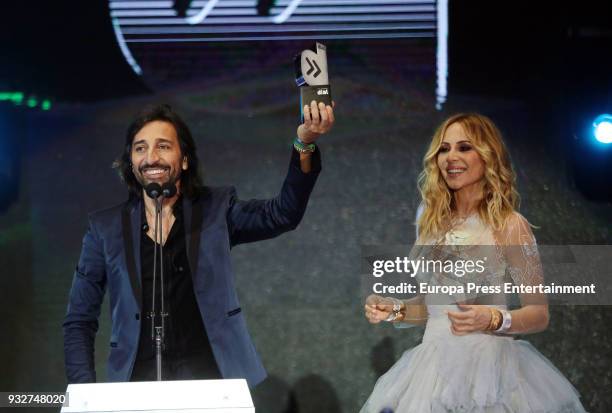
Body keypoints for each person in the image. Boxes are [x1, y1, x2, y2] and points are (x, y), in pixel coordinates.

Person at [63, 101, 334, 386]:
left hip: (214, 382)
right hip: (136, 385)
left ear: (184, 159)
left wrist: (304, 143)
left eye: (163, 146)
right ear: (131, 162)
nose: (151, 157)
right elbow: (79, 319)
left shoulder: (216, 210)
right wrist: (84, 393)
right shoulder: (105, 228)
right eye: (140, 148)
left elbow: (283, 214)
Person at [361, 113, 586, 412]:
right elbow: (436, 308)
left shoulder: (510, 225)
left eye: (464, 147)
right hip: (432, 372)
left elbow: (538, 313)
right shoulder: (430, 222)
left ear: (488, 156)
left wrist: (494, 319)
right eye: (444, 149)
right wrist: (396, 309)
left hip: (491, 375)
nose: (451, 156)